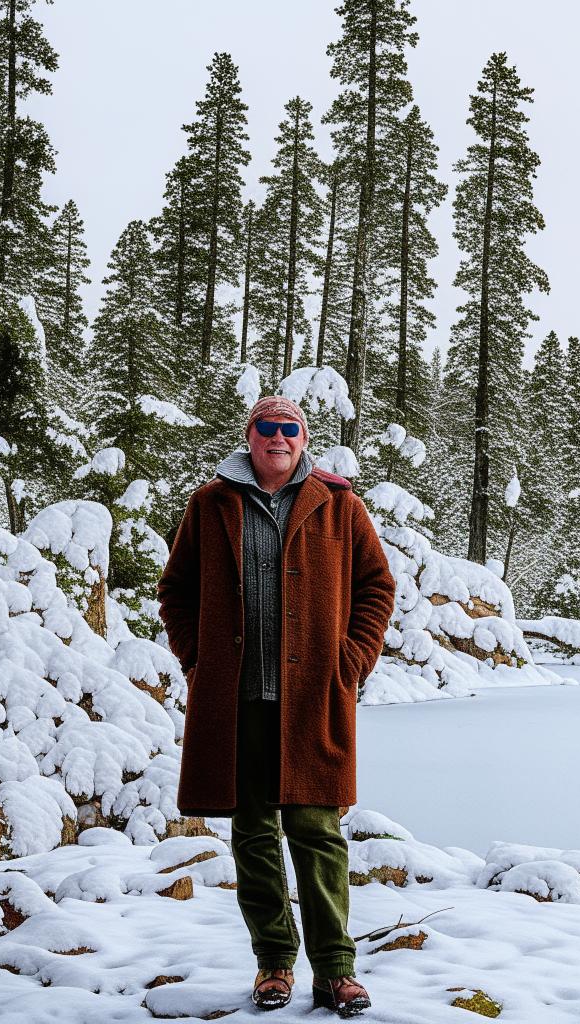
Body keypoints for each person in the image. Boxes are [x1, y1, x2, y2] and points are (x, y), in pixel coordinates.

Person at [157, 395, 396, 1015]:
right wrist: (196, 661)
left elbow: (377, 586)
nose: (278, 437)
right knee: (254, 835)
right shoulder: (211, 504)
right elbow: (176, 591)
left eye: (290, 428)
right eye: (267, 427)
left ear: (303, 438)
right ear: (251, 437)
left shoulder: (338, 503)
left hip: (314, 698)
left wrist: (353, 661)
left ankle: (336, 970)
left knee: (317, 832)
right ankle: (273, 963)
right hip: (238, 703)